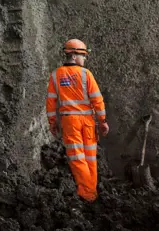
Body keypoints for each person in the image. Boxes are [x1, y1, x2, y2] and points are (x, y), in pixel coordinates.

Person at [46, 39, 109, 202]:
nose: (85, 59)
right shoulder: (86, 74)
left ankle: (88, 194)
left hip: (70, 123)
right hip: (87, 121)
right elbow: (98, 100)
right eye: (83, 55)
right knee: (90, 157)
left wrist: (52, 122)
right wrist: (102, 120)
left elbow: (51, 101)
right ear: (73, 55)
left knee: (77, 158)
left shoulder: (55, 76)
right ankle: (90, 192)